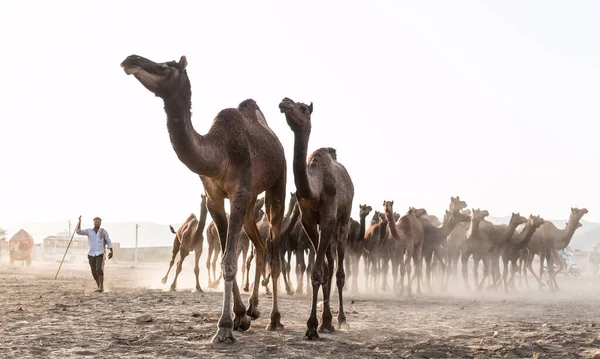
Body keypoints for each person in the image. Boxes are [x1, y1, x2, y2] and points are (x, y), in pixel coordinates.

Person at [76, 216, 113, 292]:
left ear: (100, 223)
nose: (97, 223)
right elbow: (78, 231)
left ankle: (101, 287)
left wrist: (111, 250)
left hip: (100, 253)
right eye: (95, 222)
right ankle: (98, 286)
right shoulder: (89, 231)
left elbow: (108, 241)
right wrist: (79, 221)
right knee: (93, 272)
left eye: (98, 222)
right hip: (91, 254)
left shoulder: (103, 232)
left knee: (99, 269)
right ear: (93, 223)